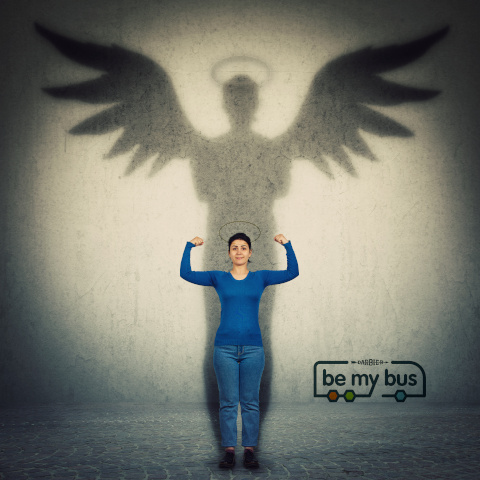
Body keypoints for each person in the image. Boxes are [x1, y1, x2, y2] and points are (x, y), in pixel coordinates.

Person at [180, 232, 299, 468]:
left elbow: (292, 272)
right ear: (229, 253)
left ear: (250, 252)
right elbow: (186, 273)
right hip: (224, 348)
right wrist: (188, 246)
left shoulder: (260, 277)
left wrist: (287, 245)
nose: (239, 251)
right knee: (227, 402)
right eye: (234, 247)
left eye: (243, 247)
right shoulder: (218, 277)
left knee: (250, 402)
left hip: (253, 349)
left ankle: (250, 451)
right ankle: (229, 451)